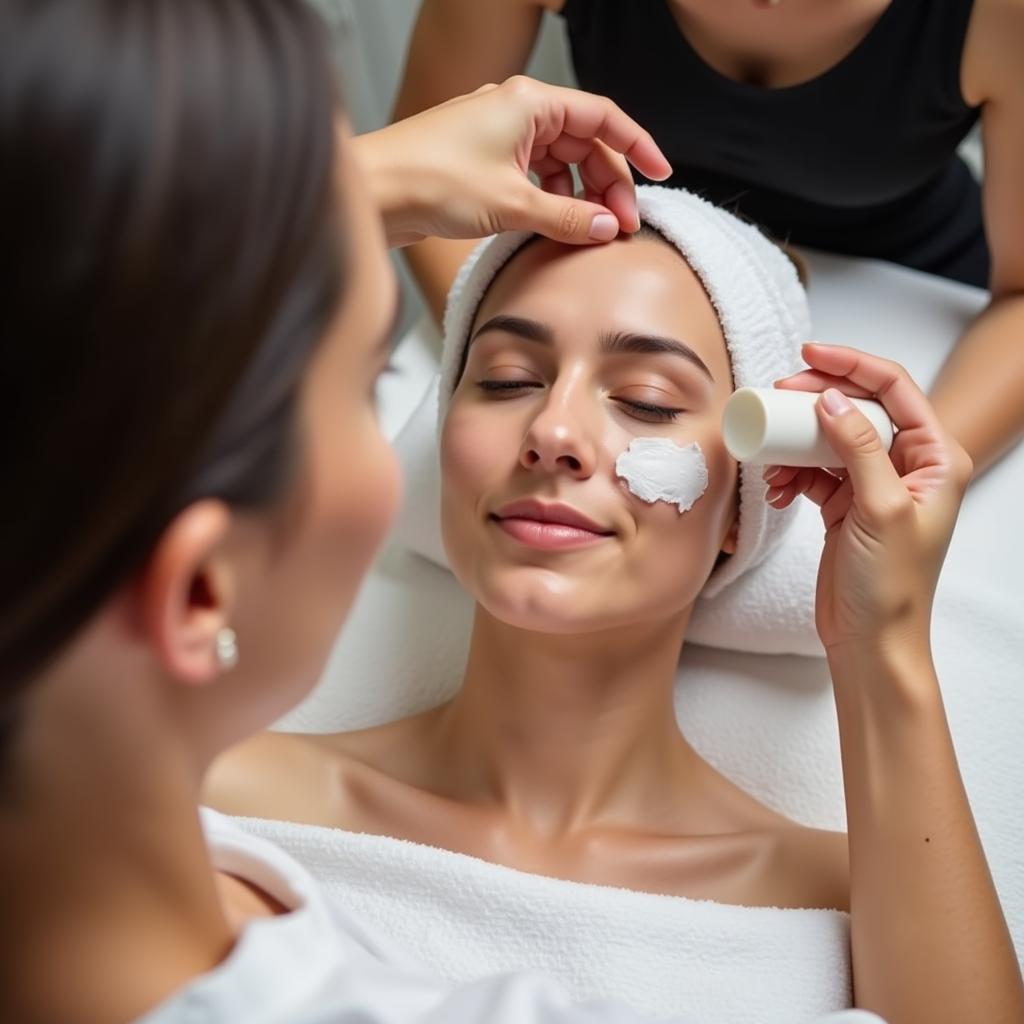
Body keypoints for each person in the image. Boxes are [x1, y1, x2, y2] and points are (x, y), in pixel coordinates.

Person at [207, 185, 1024, 1024]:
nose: (554, 431)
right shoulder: (218, 790)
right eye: (506, 379)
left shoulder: (851, 910)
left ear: (743, 510)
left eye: (647, 402)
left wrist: (880, 639)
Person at [392, 0, 1024, 478]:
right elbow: (423, 177)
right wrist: (516, 372)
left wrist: (914, 460)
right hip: (630, 271)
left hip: (913, 287)